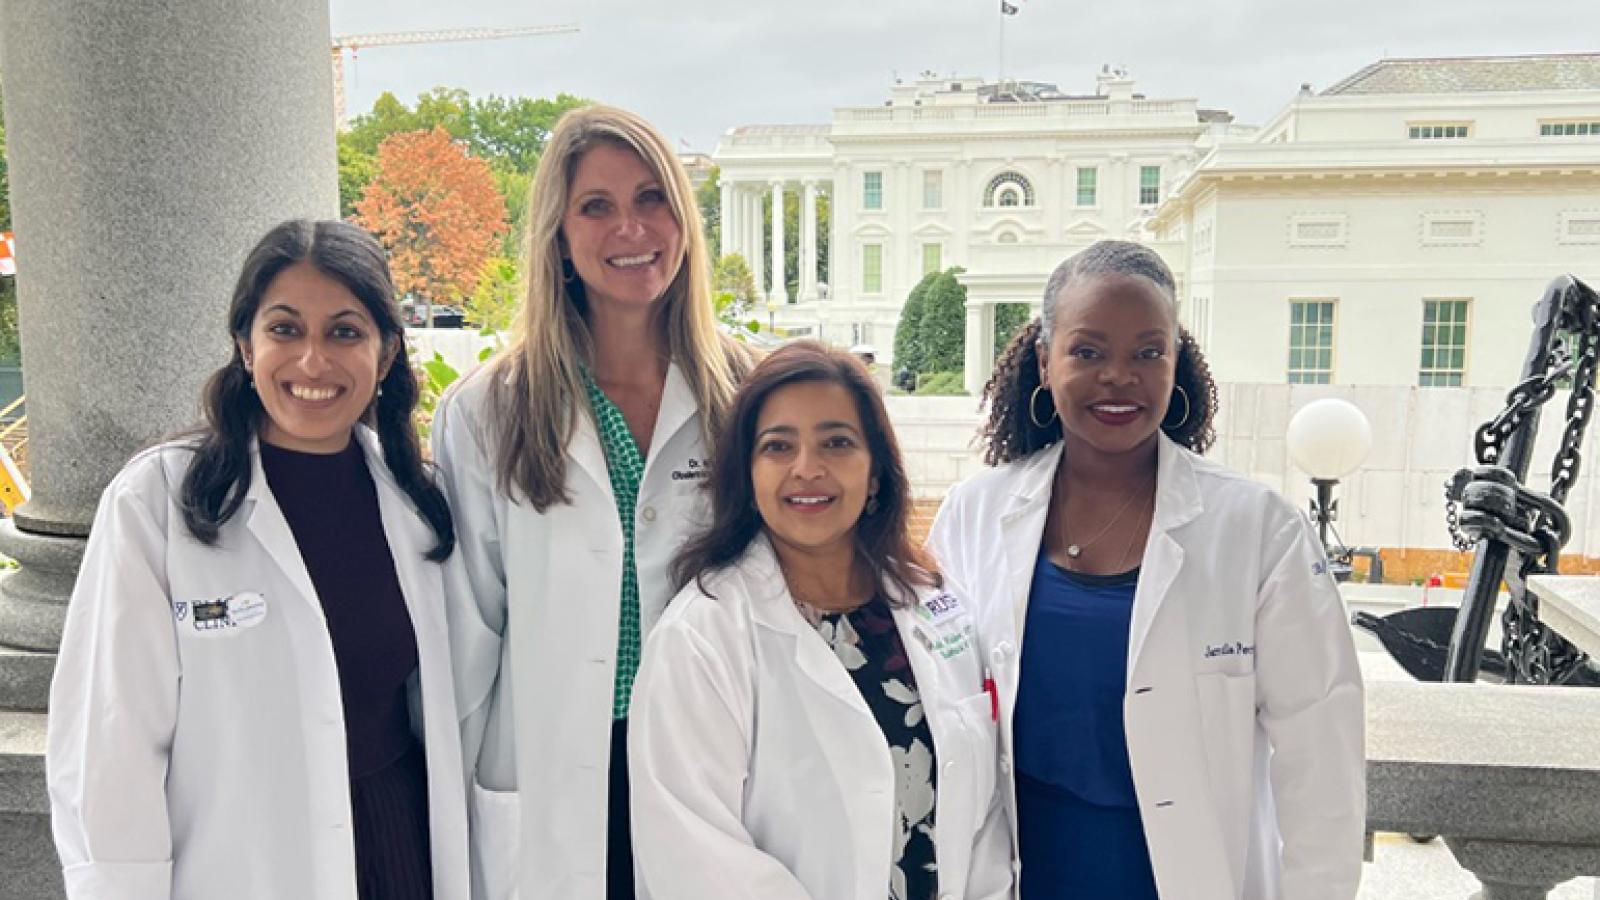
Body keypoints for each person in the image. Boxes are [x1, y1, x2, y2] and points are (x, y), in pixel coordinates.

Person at [47, 219, 470, 900]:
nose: (312, 362)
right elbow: (110, 744)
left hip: (398, 847)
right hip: (237, 863)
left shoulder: (422, 501)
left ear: (387, 355)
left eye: (344, 332)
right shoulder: (157, 502)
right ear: (245, 345)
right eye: (284, 330)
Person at [927, 240, 1364, 900]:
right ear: (1045, 361)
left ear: (1175, 364)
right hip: (1014, 876)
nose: (1119, 377)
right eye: (1089, 351)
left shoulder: (1259, 530)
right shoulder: (973, 515)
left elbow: (1322, 761)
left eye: (1148, 353)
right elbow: (938, 710)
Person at [431, 103, 750, 900]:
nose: (630, 228)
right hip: (551, 772)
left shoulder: (748, 393)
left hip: (712, 756)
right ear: (559, 236)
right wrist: (452, 813)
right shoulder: (487, 409)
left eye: (652, 198)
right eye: (596, 206)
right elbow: (466, 634)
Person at [628, 341, 1013, 900]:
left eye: (836, 442)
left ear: (875, 472)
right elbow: (693, 857)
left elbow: (984, 815)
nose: (807, 469)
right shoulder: (702, 638)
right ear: (749, 474)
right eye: (778, 446)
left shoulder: (933, 605)